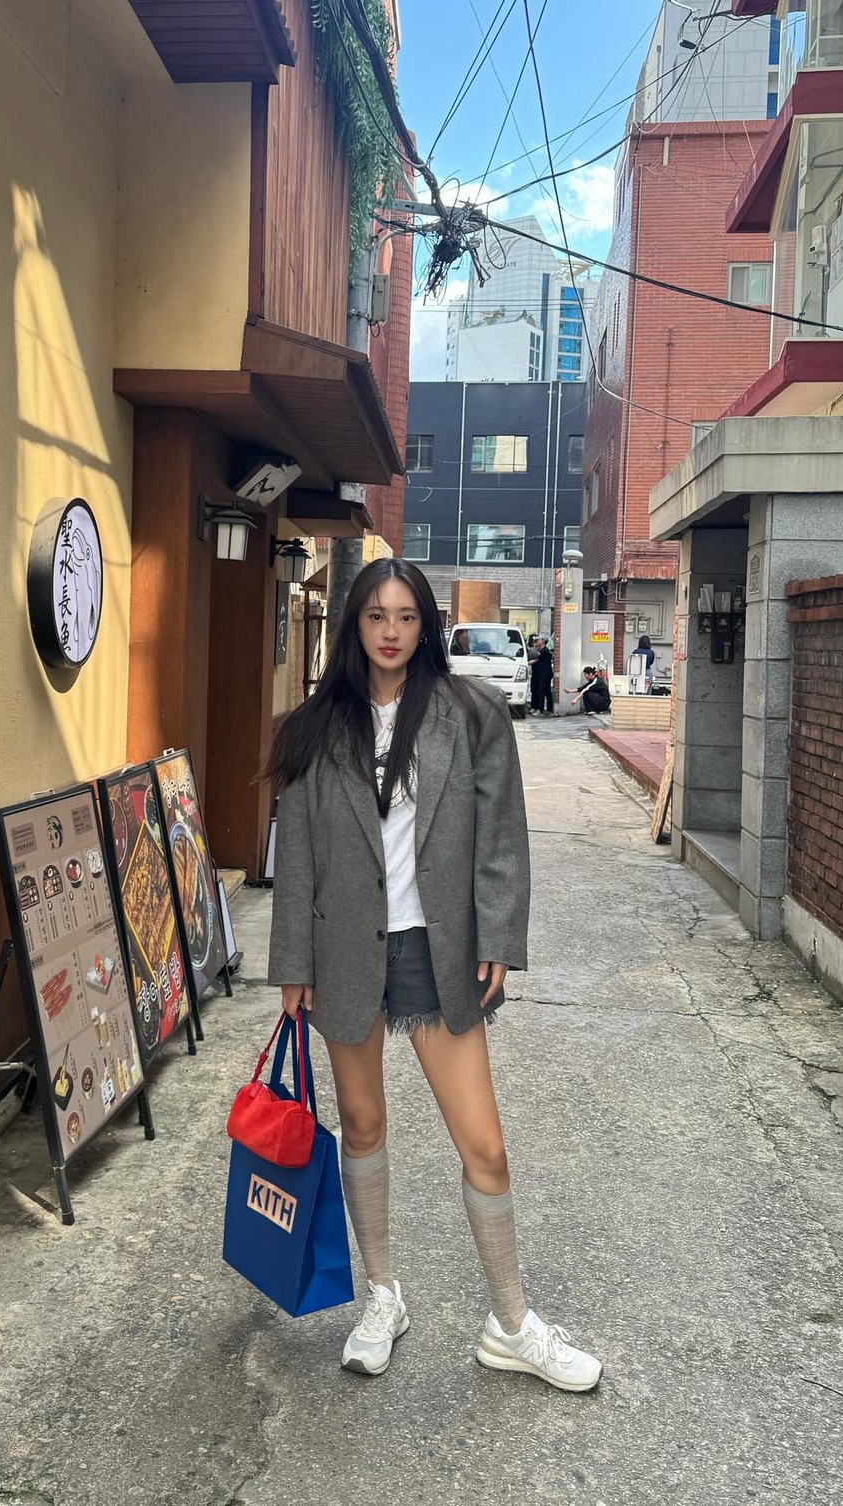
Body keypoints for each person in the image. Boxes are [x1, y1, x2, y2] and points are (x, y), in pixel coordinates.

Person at [265, 557, 601, 1391]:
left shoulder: (471, 713)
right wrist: (292, 964)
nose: (391, 632)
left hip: (434, 949)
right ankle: (382, 1297)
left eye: (407, 616)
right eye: (376, 615)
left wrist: (499, 934)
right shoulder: (314, 728)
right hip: (344, 950)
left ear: (427, 626)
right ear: (354, 624)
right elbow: (296, 855)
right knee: (362, 1124)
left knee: (484, 1144)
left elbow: (501, 835)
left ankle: (511, 1324)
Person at [533, 637, 555, 716]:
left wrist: (528, 662)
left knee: (541, 691)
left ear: (543, 641)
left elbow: (536, 658)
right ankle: (550, 709)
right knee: (547, 691)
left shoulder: (544, 651)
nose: (537, 641)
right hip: (545, 674)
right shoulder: (543, 650)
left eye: (539, 640)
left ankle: (540, 710)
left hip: (544, 674)